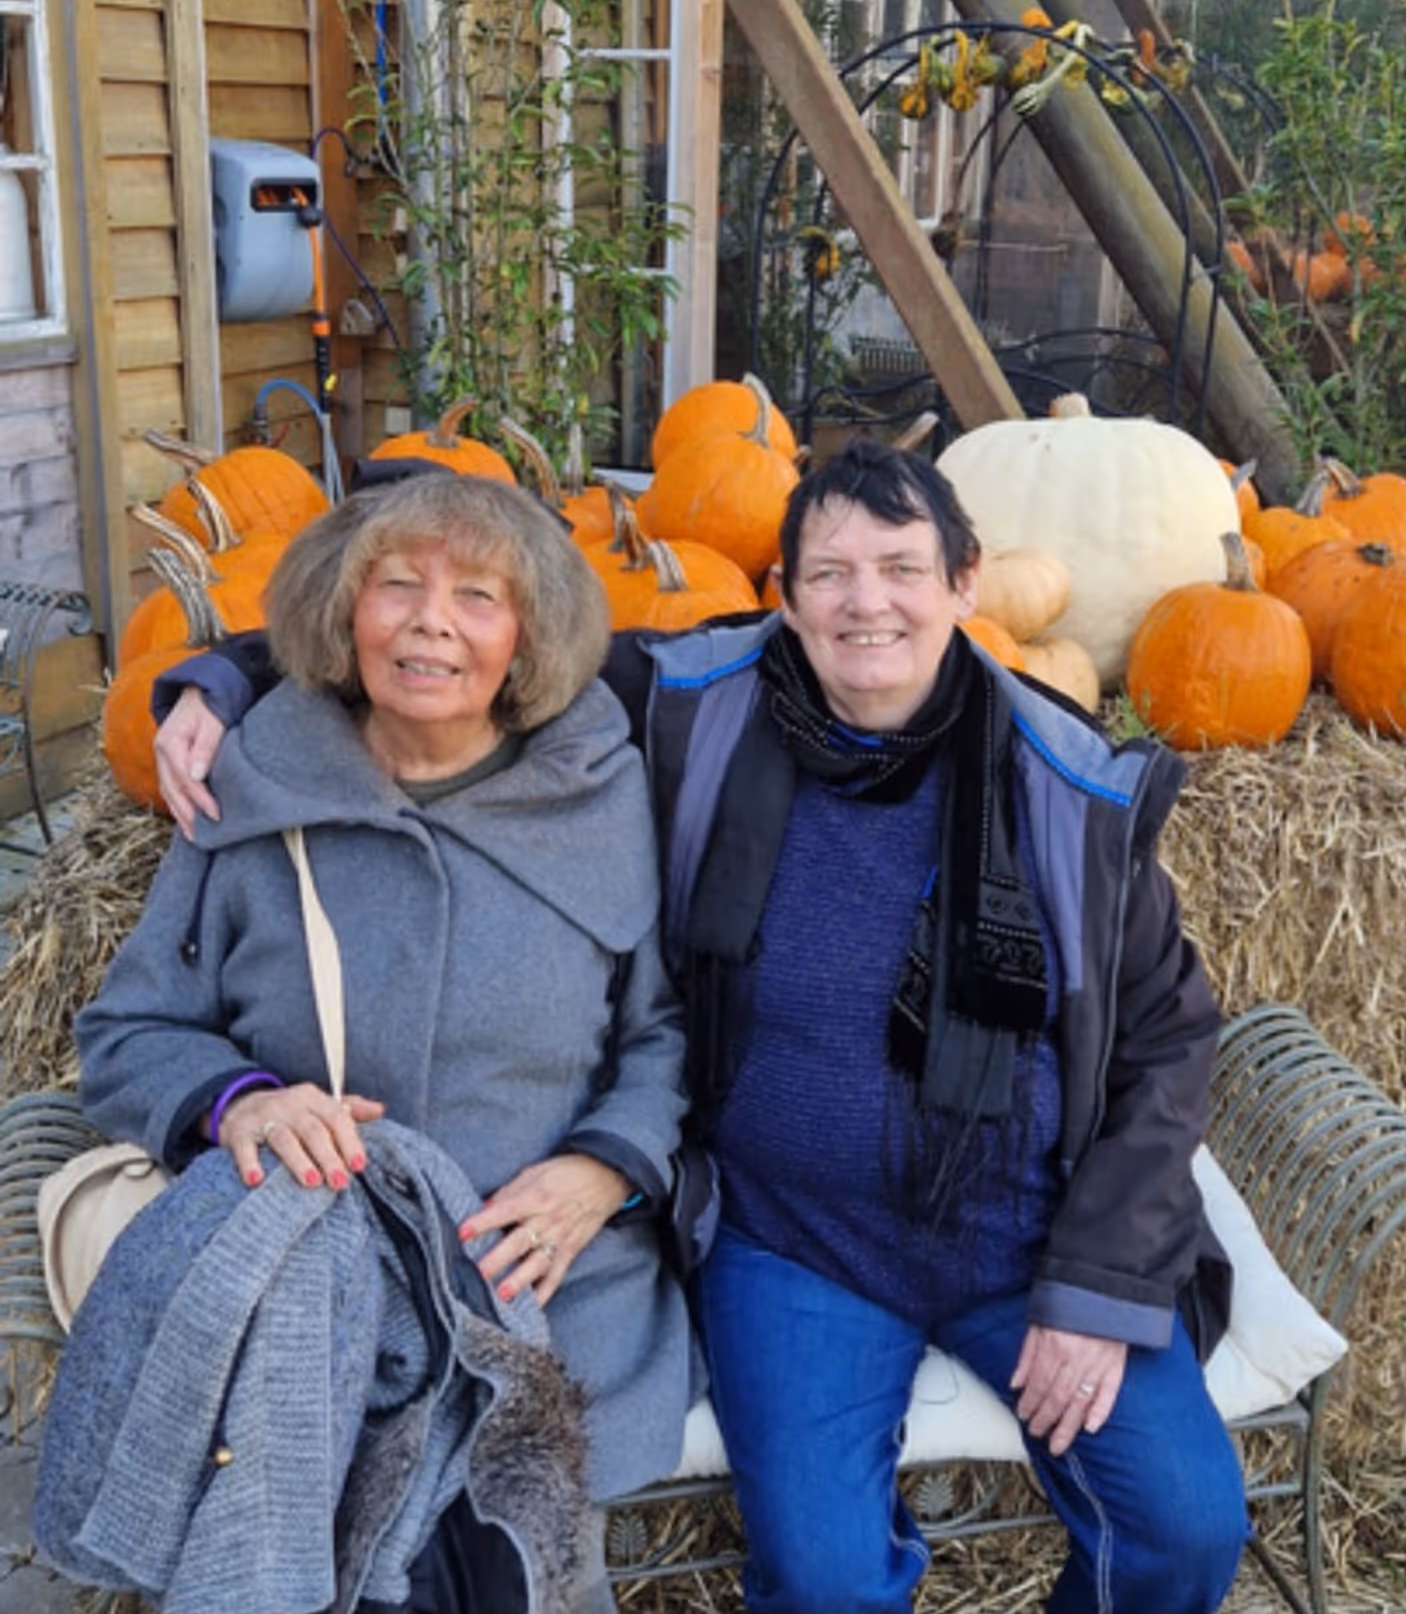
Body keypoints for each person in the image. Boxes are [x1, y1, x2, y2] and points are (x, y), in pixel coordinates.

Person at [154, 439, 1249, 1614]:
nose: (865, 601)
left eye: (900, 566)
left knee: (1186, 1525)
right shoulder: (695, 699)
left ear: (965, 582)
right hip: (792, 1239)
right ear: (779, 595)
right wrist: (221, 679)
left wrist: (1093, 1286)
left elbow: (1167, 1045)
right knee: (825, 1582)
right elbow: (448, 639)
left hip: (1022, 1228)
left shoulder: (1063, 785)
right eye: (827, 572)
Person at [69, 469, 694, 1612]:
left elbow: (661, 1036)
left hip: (545, 1280)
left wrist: (602, 1170)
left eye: (476, 596)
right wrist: (240, 1099)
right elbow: (125, 1028)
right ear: (340, 611)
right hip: (323, 1285)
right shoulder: (255, 788)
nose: (429, 622)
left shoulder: (604, 790)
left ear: (529, 636)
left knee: (507, 1541)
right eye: (394, 585)